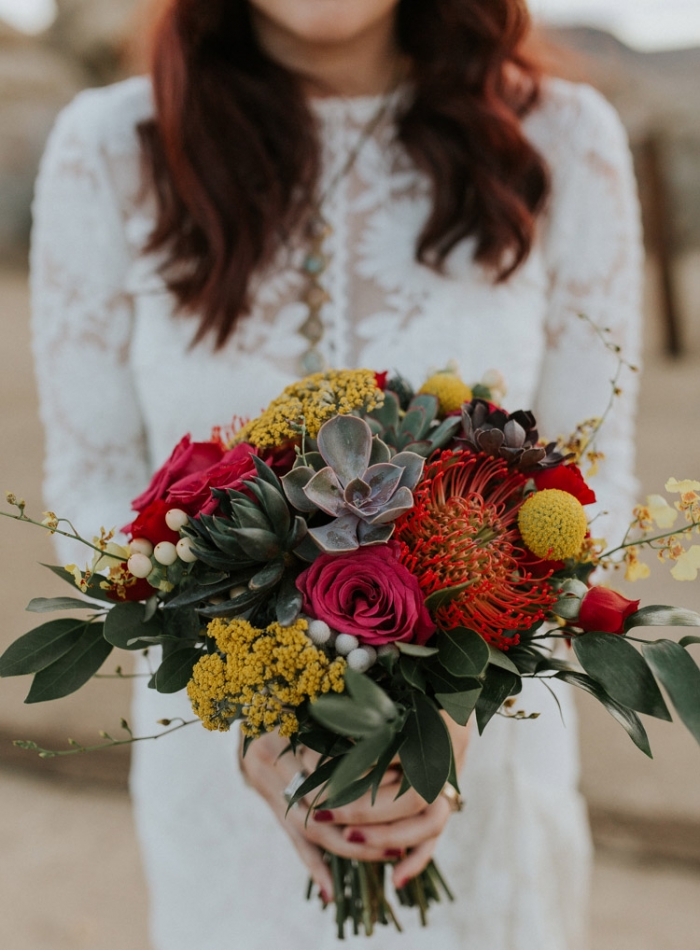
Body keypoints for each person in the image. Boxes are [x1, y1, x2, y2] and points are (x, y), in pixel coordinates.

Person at [30, 1, 643, 948]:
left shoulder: (562, 136)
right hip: (229, 791)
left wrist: (448, 716)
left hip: (481, 774)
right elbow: (95, 492)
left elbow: (586, 491)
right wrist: (261, 727)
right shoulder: (111, 148)